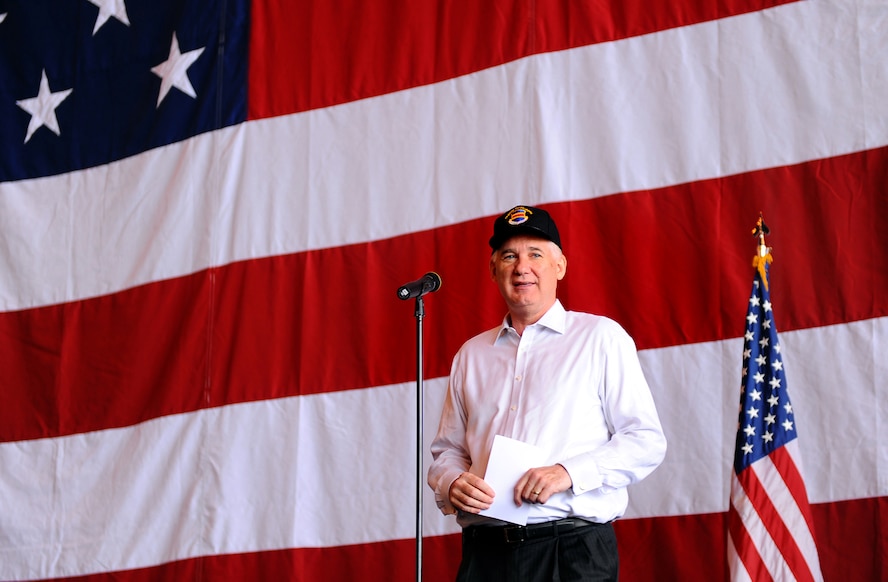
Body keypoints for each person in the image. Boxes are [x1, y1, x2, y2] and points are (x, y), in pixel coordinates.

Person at [428, 204, 667, 581]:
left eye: (535, 254)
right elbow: (448, 452)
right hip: (485, 554)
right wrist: (452, 481)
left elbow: (645, 440)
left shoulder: (599, 338)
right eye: (509, 256)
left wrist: (568, 472)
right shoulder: (470, 355)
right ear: (494, 271)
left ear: (560, 266)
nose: (522, 267)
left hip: (570, 552)